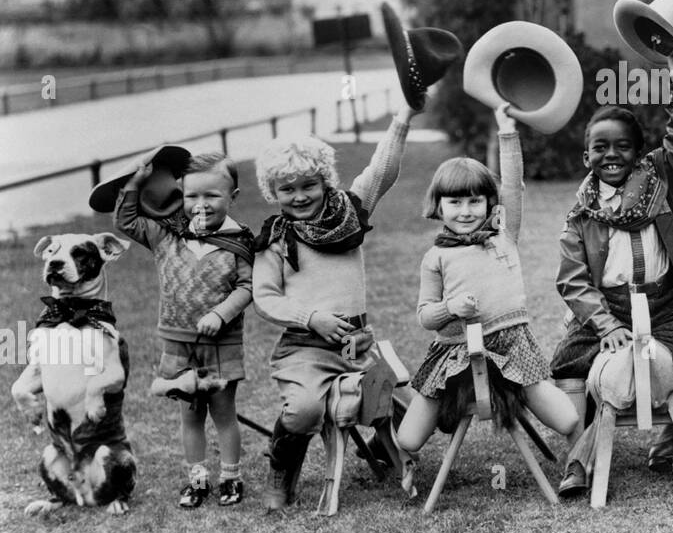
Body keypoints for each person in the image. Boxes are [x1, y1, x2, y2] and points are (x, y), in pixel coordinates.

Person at [549, 54, 673, 498]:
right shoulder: (581, 213)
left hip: (662, 307)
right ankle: (580, 459)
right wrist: (606, 326)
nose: (611, 155)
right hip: (608, 311)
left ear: (639, 153)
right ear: (586, 156)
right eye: (600, 147)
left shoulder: (659, 178)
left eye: (622, 146)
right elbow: (572, 281)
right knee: (571, 363)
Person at [396, 104, 578, 490]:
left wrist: (507, 131)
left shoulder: (504, 236)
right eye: (455, 202)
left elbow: (513, 184)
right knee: (408, 438)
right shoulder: (436, 257)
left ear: (489, 204)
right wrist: (451, 308)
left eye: (475, 201)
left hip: (513, 346)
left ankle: (582, 462)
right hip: (456, 355)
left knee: (568, 419)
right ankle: (406, 461)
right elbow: (425, 316)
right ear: (438, 206)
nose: (465, 211)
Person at [252, 105, 418, 511]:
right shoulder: (276, 238)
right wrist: (311, 318)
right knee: (305, 411)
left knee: (411, 409)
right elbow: (265, 297)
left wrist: (402, 119)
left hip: (356, 343)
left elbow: (381, 172)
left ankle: (381, 443)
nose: (299, 196)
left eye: (308, 185)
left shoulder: (349, 213)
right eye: (286, 189)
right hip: (305, 347)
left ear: (325, 180)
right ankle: (282, 467)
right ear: (273, 193)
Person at [116, 150, 254, 508]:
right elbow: (126, 221)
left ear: (233, 197)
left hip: (221, 343)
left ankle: (231, 478)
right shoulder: (166, 235)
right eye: (192, 196)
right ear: (181, 195)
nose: (201, 204)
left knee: (224, 413)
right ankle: (197, 480)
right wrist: (134, 185)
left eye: (212, 195)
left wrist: (222, 314)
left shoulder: (239, 240)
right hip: (178, 345)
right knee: (190, 415)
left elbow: (247, 287)